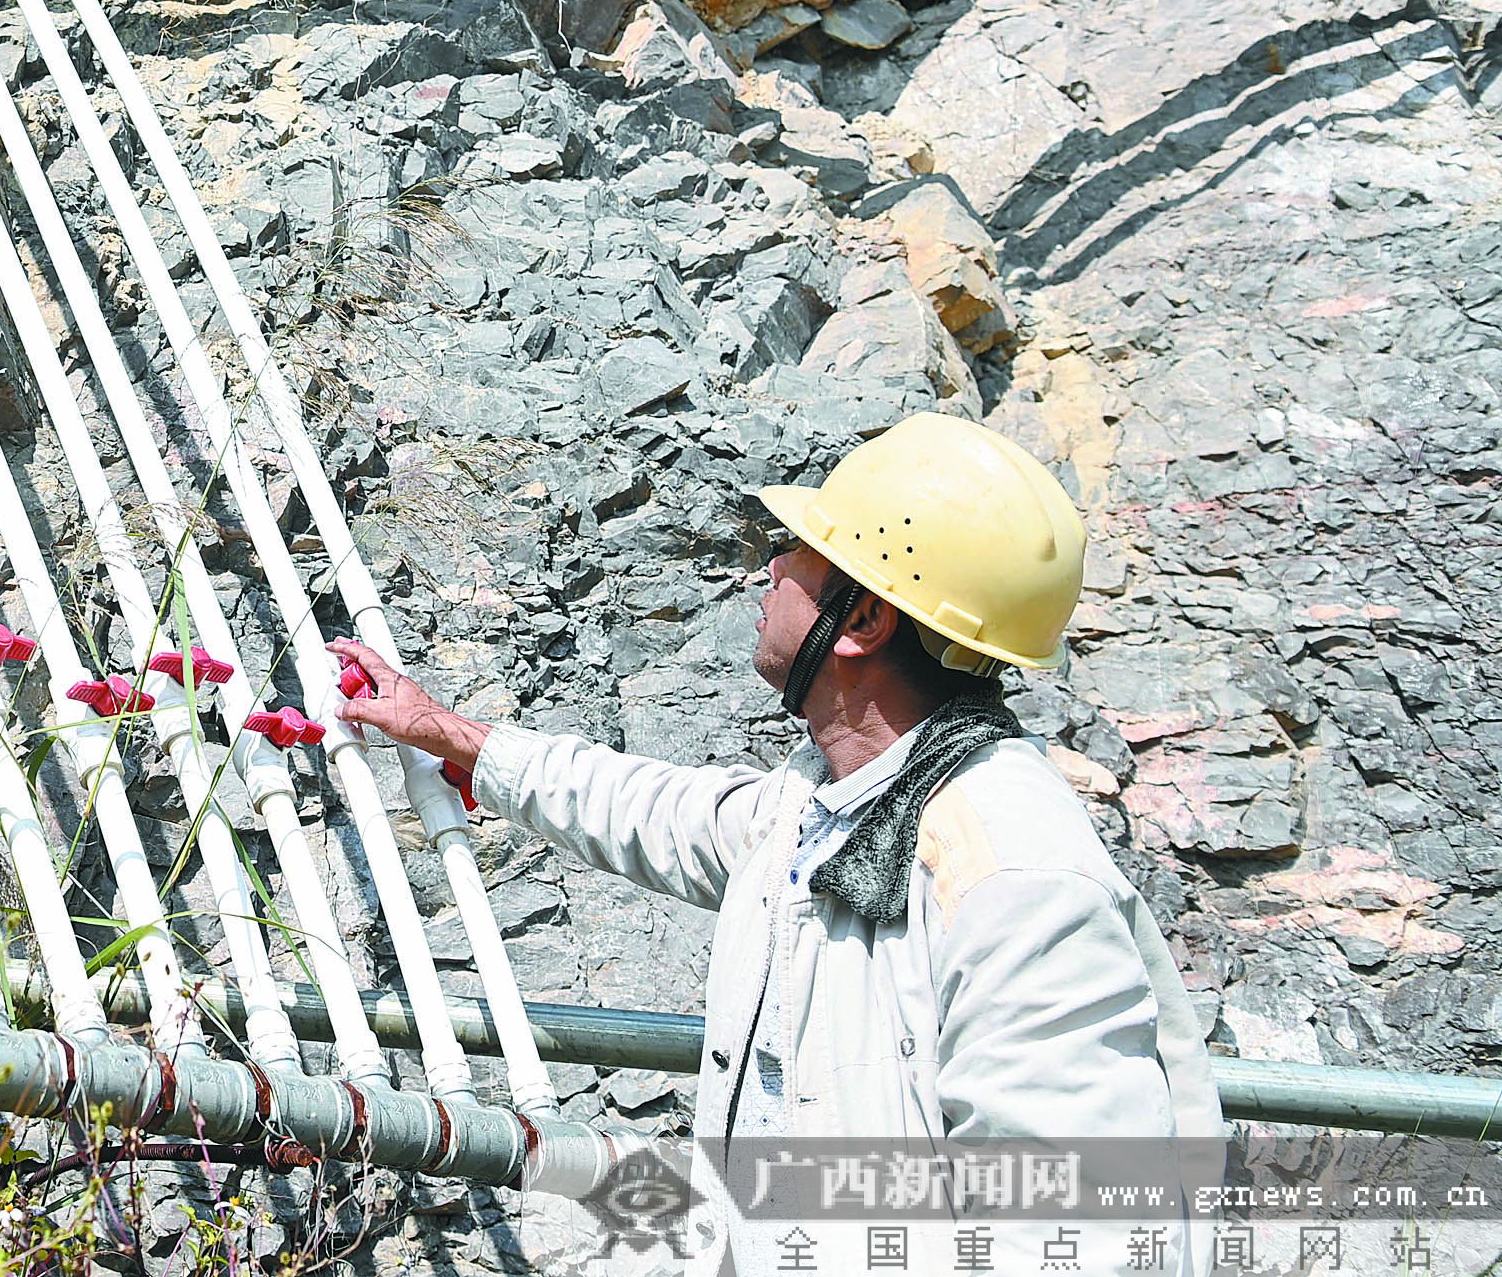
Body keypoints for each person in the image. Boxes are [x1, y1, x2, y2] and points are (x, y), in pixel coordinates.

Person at [330, 412, 1224, 1246]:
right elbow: (665, 812)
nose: (772, 568)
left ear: (864, 620)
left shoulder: (1010, 874)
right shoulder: (842, 796)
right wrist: (452, 737)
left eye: (799, 547)